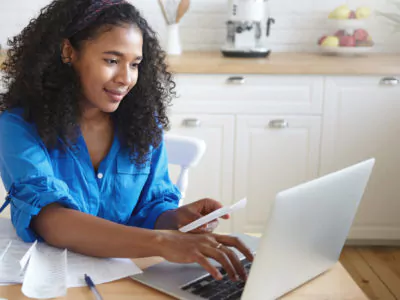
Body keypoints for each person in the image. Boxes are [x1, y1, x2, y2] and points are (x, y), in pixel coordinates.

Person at [0, 0, 253, 282]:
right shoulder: (18, 126)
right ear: (69, 51)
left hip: (130, 279)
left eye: (134, 64)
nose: (125, 78)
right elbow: (52, 221)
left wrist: (175, 220)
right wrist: (162, 241)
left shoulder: (141, 125)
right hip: (53, 284)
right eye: (111, 60)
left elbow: (150, 207)